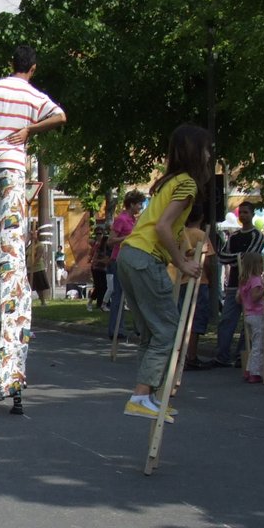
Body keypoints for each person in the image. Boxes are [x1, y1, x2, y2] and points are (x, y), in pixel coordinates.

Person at [0, 43, 67, 413]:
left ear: (12, 63)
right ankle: (9, 378)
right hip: (11, 168)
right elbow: (60, 116)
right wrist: (29, 129)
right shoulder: (32, 94)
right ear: (33, 68)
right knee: (10, 268)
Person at [116, 124, 210, 419]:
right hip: (146, 258)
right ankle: (140, 396)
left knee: (151, 332)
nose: (209, 156)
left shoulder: (169, 182)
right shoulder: (187, 184)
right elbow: (162, 226)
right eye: (206, 150)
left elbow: (168, 225)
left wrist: (184, 250)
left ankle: (146, 397)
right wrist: (181, 263)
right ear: (196, 152)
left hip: (130, 255)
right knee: (168, 330)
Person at [214, 201, 264, 366]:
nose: (243, 215)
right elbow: (222, 256)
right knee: (227, 320)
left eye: (246, 212)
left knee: (249, 321)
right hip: (233, 284)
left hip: (250, 283)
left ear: (252, 214)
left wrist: (237, 258)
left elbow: (249, 257)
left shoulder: (256, 235)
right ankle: (222, 356)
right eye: (240, 212)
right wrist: (238, 257)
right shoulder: (234, 236)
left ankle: (242, 355)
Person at [106, 192, 140, 341]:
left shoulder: (134, 220)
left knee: (136, 295)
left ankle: (138, 328)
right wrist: (128, 238)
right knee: (119, 295)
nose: (140, 207)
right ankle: (115, 329)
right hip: (119, 260)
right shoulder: (121, 219)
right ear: (131, 204)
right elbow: (110, 241)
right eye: (139, 204)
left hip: (132, 260)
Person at [237, 251, 264, 384]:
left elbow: (239, 298)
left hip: (248, 314)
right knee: (258, 345)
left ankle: (249, 369)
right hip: (256, 314)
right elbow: (255, 297)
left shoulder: (244, 280)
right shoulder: (255, 280)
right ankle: (255, 373)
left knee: (253, 344)